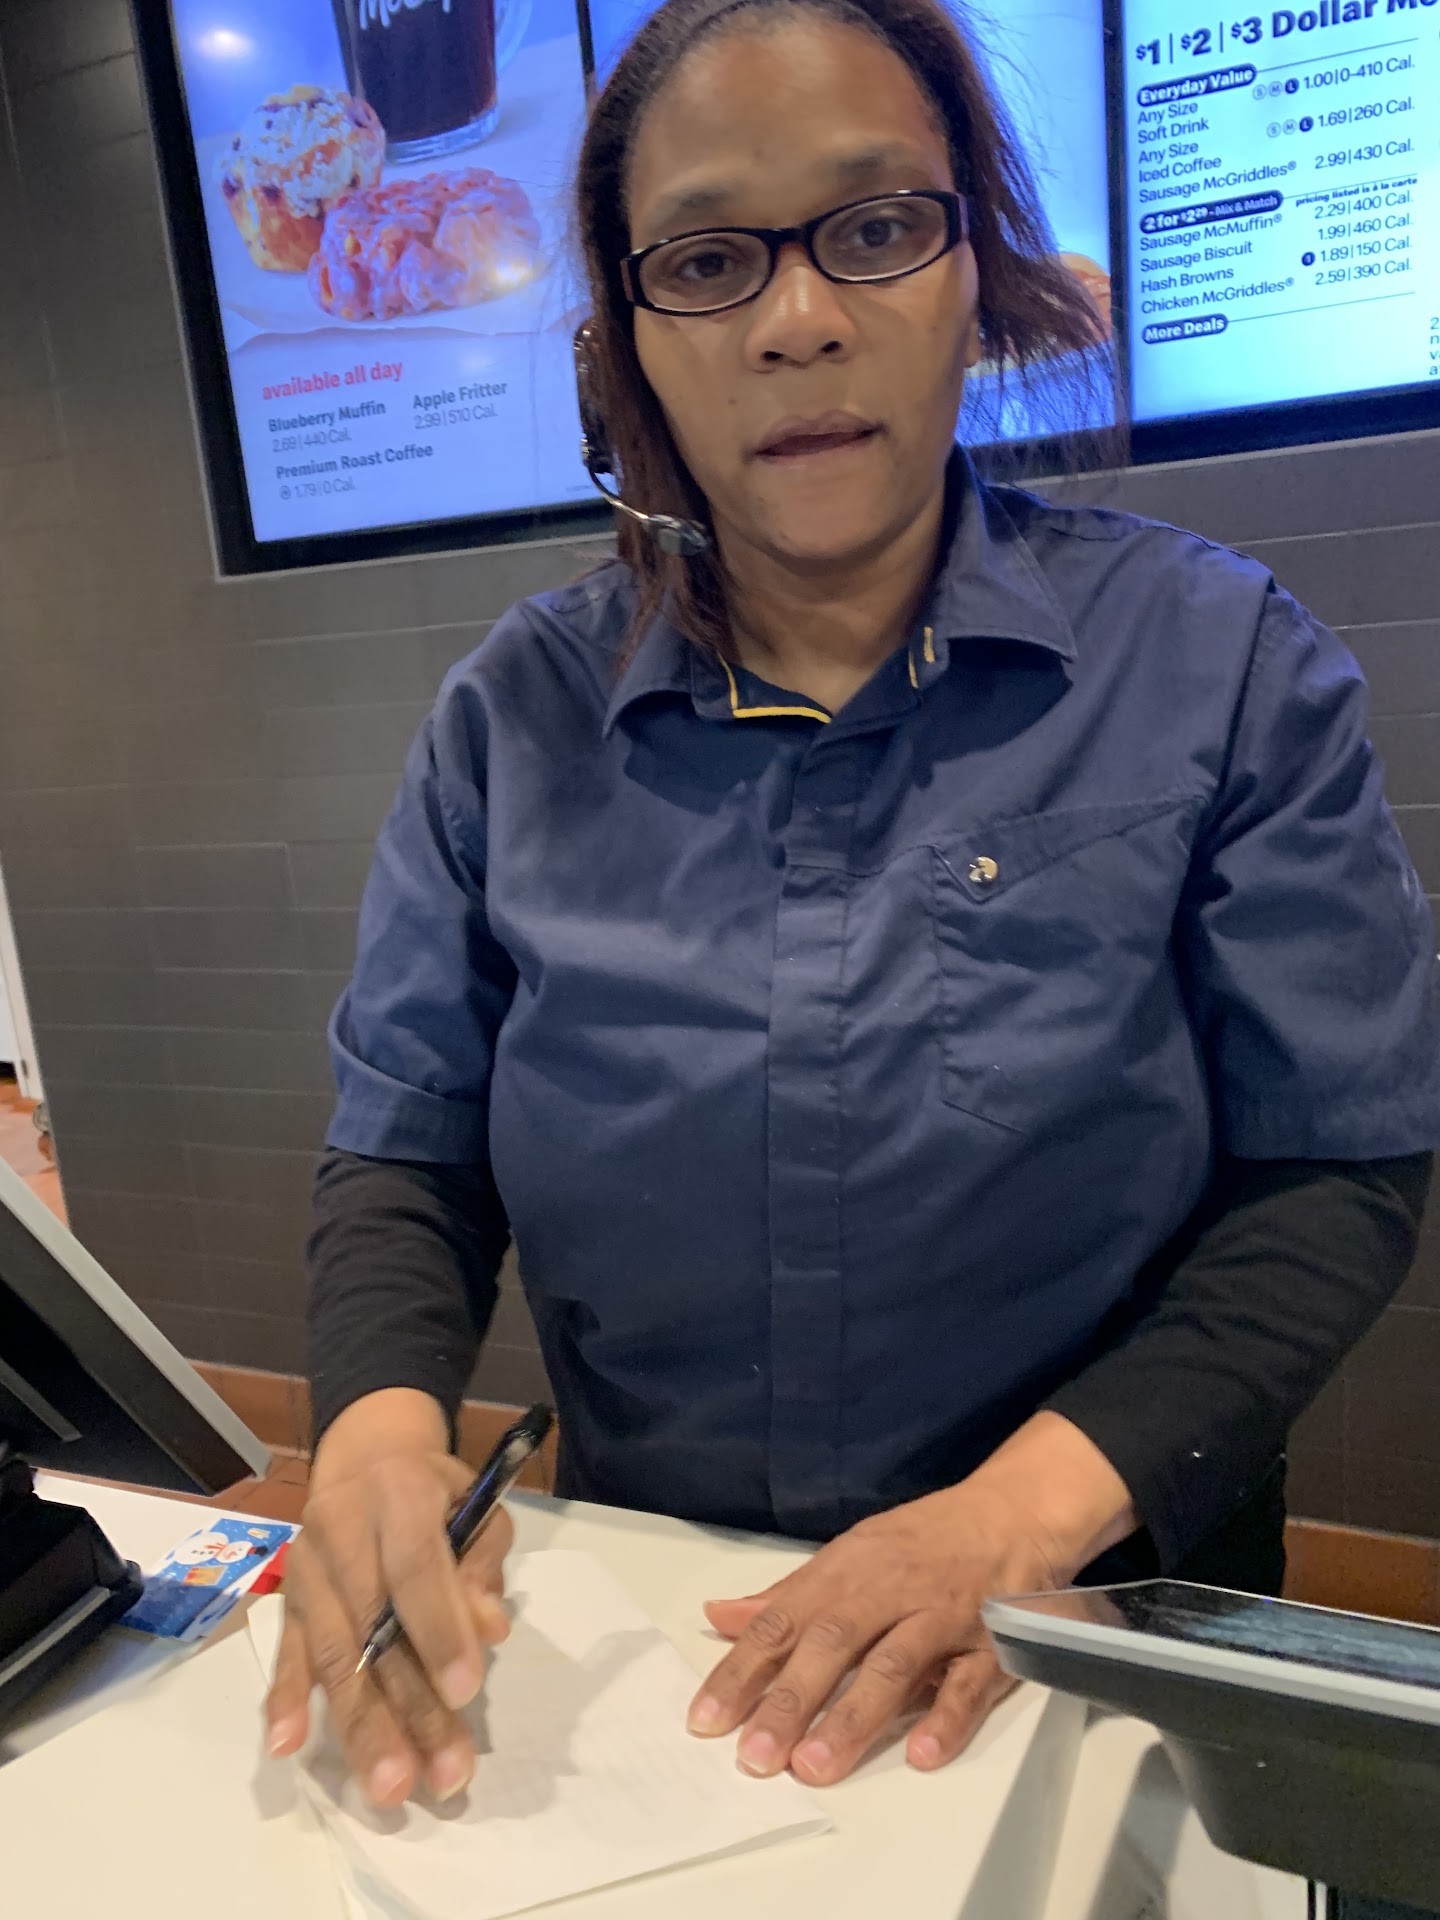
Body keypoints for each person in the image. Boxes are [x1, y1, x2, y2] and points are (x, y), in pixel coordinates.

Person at [266, 0, 1440, 1813]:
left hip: (1093, 1608)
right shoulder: (510, 720)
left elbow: (1334, 1170)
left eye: (877, 226)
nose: (798, 319)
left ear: (977, 274)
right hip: (672, 1622)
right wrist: (372, 1435)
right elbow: (407, 1156)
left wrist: (1011, 1521)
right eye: (707, 262)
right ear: (628, 342)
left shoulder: (1222, 664)